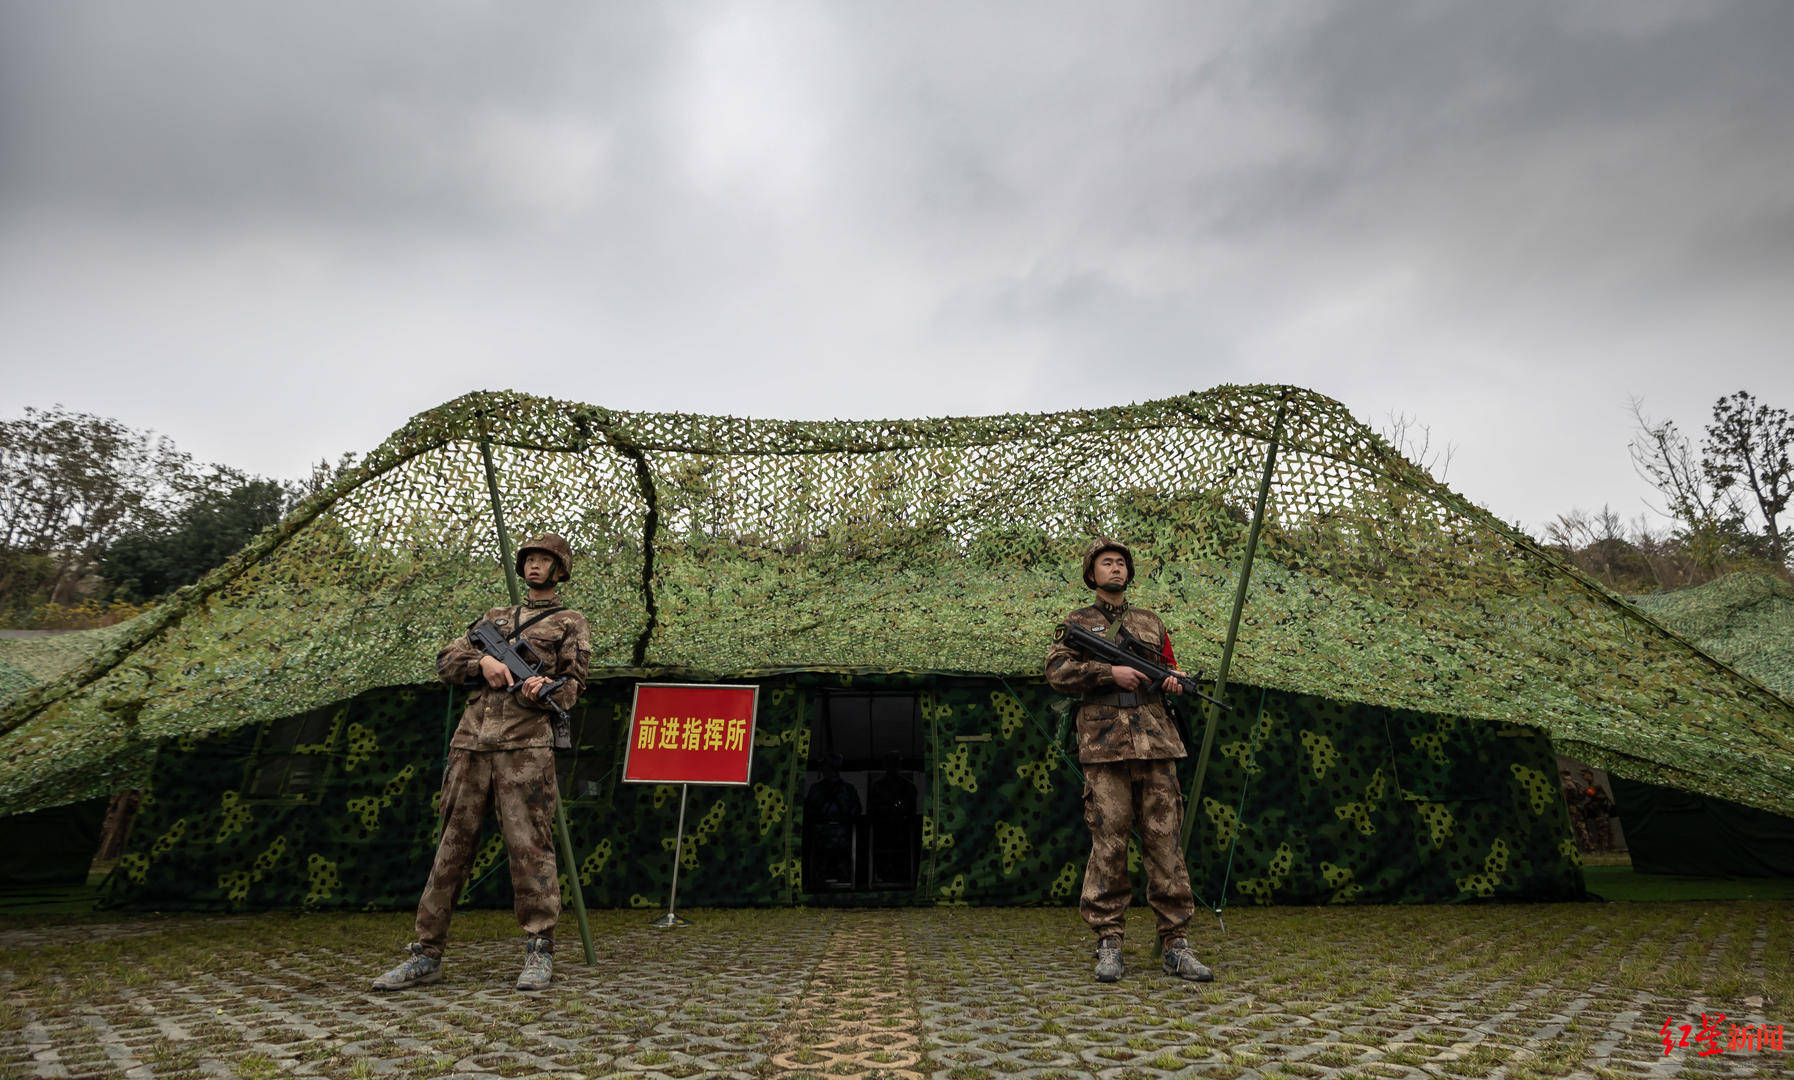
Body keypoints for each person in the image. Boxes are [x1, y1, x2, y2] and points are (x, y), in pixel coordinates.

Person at [373, 534, 590, 992]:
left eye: (544, 561)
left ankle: (538, 951)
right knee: (450, 851)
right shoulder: (494, 618)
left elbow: (572, 687)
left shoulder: (570, 621)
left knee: (530, 850)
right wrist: (483, 665)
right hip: (470, 745)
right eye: (529, 559)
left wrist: (541, 688)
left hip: (525, 748)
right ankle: (425, 954)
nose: (534, 566)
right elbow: (448, 660)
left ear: (560, 569)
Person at [1045, 537, 1212, 983]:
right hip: (1104, 746)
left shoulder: (1150, 622)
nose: (1115, 569)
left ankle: (1176, 944)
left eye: (1121, 563)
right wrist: (1107, 672)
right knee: (1109, 842)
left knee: (1165, 843)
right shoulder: (1076, 622)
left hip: (1156, 744)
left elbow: (1168, 668)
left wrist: (1173, 682)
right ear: (1092, 573)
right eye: (1106, 563)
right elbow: (1056, 672)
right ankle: (1109, 943)